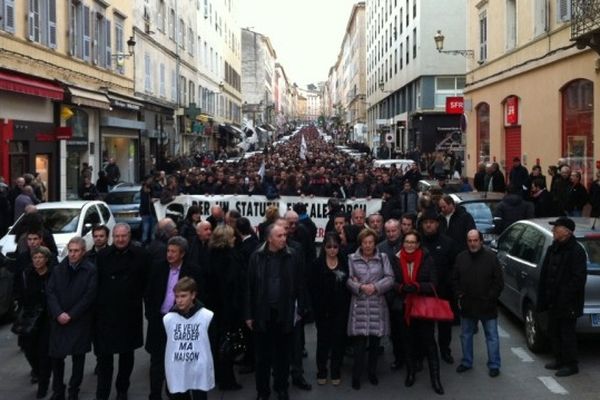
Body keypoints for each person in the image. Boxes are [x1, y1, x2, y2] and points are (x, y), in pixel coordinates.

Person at [243, 224, 307, 400]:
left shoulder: (293, 256)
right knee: (262, 358)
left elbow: (300, 284)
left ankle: (281, 388)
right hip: (262, 313)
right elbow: (249, 287)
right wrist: (248, 314)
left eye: (284, 235)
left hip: (284, 313)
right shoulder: (256, 256)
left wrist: (301, 309)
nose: (284, 239)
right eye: (279, 236)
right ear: (269, 238)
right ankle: (262, 392)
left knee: (283, 356)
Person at [94, 223, 150, 400]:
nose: (120, 239)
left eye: (123, 236)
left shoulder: (141, 255)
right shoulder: (102, 256)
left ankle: (122, 389)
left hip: (129, 314)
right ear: (112, 237)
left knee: (127, 355)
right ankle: (102, 392)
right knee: (104, 358)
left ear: (129, 236)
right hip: (105, 314)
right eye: (117, 236)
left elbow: (147, 283)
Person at [145, 236, 203, 400]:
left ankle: (174, 393)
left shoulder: (193, 270)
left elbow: (199, 297)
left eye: (173, 252)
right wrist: (150, 314)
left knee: (177, 362)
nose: (169, 255)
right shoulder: (158, 267)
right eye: (168, 251)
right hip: (159, 321)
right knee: (157, 361)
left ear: (182, 254)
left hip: (181, 323)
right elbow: (149, 293)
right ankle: (154, 395)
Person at [388, 230, 443, 395]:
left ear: (418, 244)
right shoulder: (395, 259)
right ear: (403, 243)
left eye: (413, 242)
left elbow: (434, 283)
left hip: (423, 306)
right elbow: (392, 281)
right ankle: (410, 373)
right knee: (408, 341)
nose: (410, 245)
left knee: (430, 343)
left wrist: (418, 286)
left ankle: (436, 379)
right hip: (404, 307)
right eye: (407, 242)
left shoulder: (427, 258)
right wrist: (401, 287)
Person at [46, 237, 97, 400]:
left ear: (83, 252)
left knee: (78, 357)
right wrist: (58, 313)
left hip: (78, 320)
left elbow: (89, 296)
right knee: (56, 357)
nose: (73, 254)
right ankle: (58, 389)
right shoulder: (58, 269)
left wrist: (71, 314)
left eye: (76, 251)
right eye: (71, 250)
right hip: (59, 319)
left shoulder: (90, 270)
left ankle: (73, 390)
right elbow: (51, 292)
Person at [538, 217, 587, 377]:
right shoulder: (553, 247)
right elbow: (545, 272)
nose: (553, 231)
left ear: (567, 231)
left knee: (567, 334)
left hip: (568, 303)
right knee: (554, 331)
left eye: (556, 228)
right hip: (553, 300)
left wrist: (564, 296)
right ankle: (559, 359)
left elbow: (578, 279)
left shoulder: (577, 251)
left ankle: (571, 364)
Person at [346, 228, 394, 390]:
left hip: (377, 304)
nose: (367, 245)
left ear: (375, 243)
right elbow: (348, 280)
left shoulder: (383, 257)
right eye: (365, 242)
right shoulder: (351, 258)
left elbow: (390, 278)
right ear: (360, 243)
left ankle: (372, 373)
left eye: (371, 242)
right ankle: (356, 376)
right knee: (359, 347)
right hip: (359, 305)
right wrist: (360, 286)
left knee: (375, 345)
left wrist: (375, 286)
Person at [453, 230, 504, 378]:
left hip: (487, 304)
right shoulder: (460, 258)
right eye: (470, 240)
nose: (472, 243)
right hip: (467, 304)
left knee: (492, 336)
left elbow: (498, 281)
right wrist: (459, 295)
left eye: (475, 240)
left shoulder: (491, 258)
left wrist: (491, 297)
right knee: (466, 335)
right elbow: (454, 279)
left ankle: (494, 364)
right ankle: (467, 361)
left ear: (481, 241)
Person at [163, 277, 215, 400]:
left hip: (199, 367)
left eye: (183, 296)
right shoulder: (168, 319)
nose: (179, 300)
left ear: (193, 295)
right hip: (177, 368)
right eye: (177, 297)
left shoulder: (207, 316)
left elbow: (211, 342)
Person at [206, 225, 243, 391]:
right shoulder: (231, 258)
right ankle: (227, 379)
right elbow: (234, 285)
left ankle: (218, 375)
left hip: (212, 306)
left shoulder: (209, 255)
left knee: (215, 343)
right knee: (227, 343)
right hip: (227, 308)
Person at [310, 233, 350, 386]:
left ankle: (335, 369)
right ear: (324, 248)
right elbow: (312, 287)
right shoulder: (316, 264)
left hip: (341, 309)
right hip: (322, 310)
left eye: (335, 247)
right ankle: (321, 370)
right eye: (329, 247)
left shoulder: (345, 262)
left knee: (339, 341)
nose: (332, 250)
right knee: (323, 341)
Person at [14, 246, 54, 399]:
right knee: (29, 350)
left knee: (44, 354)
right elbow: (19, 292)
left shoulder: (52, 274)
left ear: (46, 259)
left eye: (40, 257)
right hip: (29, 319)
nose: (37, 260)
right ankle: (37, 371)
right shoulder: (27, 274)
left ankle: (43, 384)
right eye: (34, 258)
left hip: (46, 320)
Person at [420, 209, 458, 365]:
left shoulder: (448, 243)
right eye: (425, 223)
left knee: (445, 325)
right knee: (424, 326)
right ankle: (423, 352)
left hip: (444, 292)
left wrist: (450, 286)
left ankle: (445, 350)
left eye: (431, 223)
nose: (428, 226)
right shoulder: (417, 242)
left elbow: (454, 267)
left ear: (437, 224)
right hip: (424, 292)